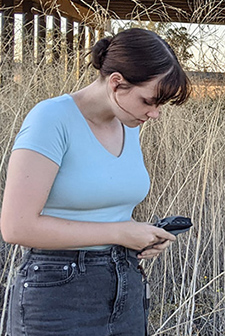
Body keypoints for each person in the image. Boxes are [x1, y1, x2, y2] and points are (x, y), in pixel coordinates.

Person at [1, 27, 191, 335]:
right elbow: (16, 227)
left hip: (124, 281)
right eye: (149, 101)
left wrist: (139, 237)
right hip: (56, 291)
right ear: (116, 83)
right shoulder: (51, 118)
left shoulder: (128, 124)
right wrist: (120, 232)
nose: (155, 114)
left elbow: (107, 206)